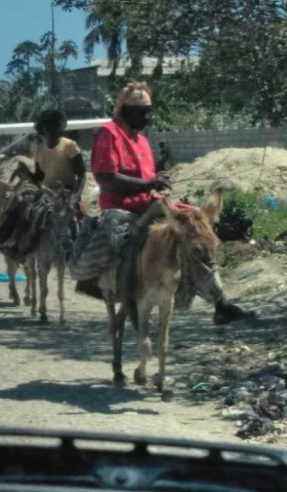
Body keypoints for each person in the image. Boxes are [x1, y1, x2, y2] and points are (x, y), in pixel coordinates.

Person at [87, 81, 254, 325]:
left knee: (197, 222)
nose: (147, 116)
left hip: (148, 202)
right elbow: (105, 177)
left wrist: (156, 180)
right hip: (121, 207)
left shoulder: (141, 140)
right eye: (142, 111)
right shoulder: (108, 134)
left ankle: (220, 302)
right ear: (126, 111)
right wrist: (148, 184)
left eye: (148, 109)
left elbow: (145, 178)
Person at [0, 109, 85, 272]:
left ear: (60, 127)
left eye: (54, 126)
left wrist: (75, 197)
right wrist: (25, 173)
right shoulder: (40, 149)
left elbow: (82, 174)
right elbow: (40, 176)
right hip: (45, 191)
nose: (51, 130)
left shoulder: (69, 146)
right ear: (43, 128)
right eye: (48, 127)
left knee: (31, 213)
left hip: (64, 193)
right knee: (14, 210)